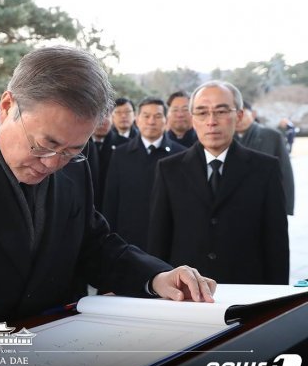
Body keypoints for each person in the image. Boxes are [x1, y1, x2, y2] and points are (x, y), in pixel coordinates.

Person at [0, 47, 216, 356]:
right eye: (43, 145)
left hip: (55, 353)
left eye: (73, 150)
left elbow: (94, 243)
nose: (53, 163)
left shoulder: (74, 166)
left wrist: (156, 276)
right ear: (7, 105)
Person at [147, 80, 289, 284]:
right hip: (187, 294)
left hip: (248, 290)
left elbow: (276, 244)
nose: (211, 121)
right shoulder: (169, 169)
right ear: (192, 118)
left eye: (221, 111)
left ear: (238, 116)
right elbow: (159, 241)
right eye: (202, 112)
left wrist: (277, 300)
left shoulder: (265, 168)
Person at [102, 97, 185, 250]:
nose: (151, 121)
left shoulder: (181, 155)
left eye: (158, 116)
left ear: (166, 120)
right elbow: (111, 200)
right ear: (137, 119)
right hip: (127, 240)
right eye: (146, 116)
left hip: (168, 240)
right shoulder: (120, 154)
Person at [235, 102, 294, 215]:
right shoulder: (226, 138)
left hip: (266, 202)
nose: (239, 120)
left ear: (253, 114)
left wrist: (286, 207)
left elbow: (285, 171)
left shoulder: (272, 136)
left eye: (242, 114)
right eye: (235, 116)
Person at [91, 113, 128, 209]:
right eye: (98, 118)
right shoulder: (78, 145)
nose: (101, 122)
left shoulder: (126, 145)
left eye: (106, 117)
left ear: (113, 118)